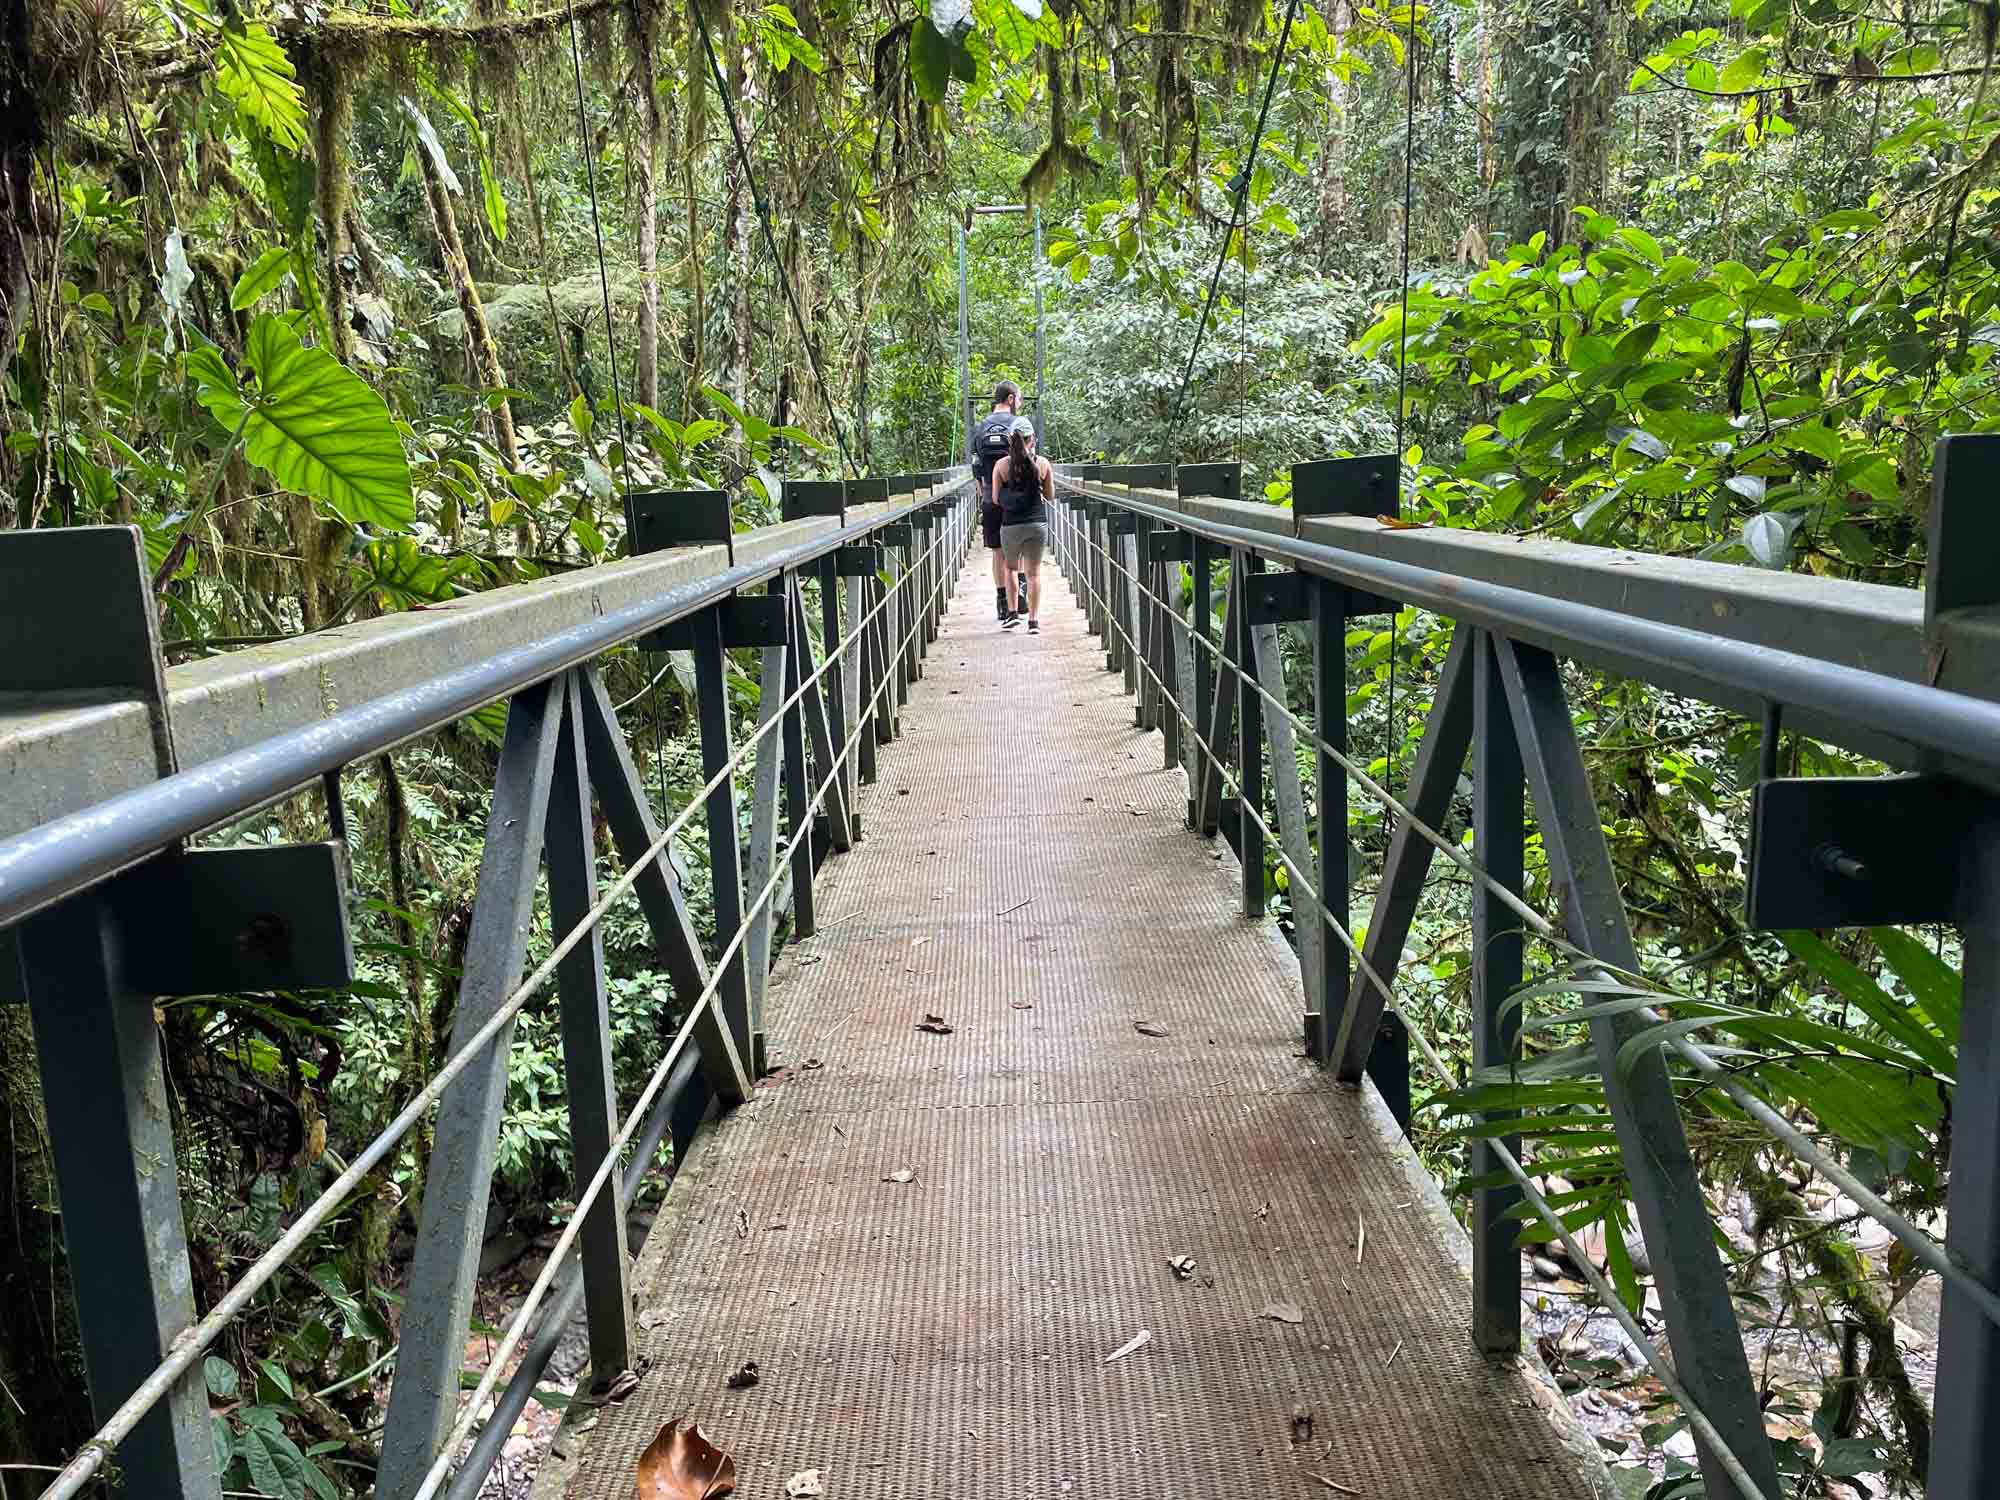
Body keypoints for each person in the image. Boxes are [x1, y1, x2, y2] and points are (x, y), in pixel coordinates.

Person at [991, 416, 1053, 635]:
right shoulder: (1043, 464)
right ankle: (1034, 622)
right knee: (1034, 573)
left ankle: (1013, 613)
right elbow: (1050, 495)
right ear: (1032, 439)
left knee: (1010, 569)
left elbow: (996, 499)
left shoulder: (1001, 465)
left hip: (1011, 526)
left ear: (1010, 439)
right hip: (1037, 524)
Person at [969, 382, 1022, 624]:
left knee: (998, 552)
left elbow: (975, 465)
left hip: (991, 497)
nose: (1019, 404)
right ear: (1010, 399)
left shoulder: (980, 427)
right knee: (1018, 547)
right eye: (1019, 399)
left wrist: (984, 491)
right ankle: (1019, 597)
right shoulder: (1019, 425)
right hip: (1016, 497)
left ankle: (1002, 602)